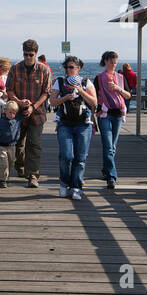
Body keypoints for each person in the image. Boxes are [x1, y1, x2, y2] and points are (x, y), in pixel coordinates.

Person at [7, 39, 53, 188]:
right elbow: (9, 90)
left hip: (37, 113)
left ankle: (33, 175)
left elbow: (46, 92)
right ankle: (20, 167)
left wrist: (33, 106)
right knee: (18, 144)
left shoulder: (44, 70)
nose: (27, 57)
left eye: (30, 55)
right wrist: (19, 102)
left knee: (34, 144)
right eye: (25, 54)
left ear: (36, 54)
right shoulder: (15, 69)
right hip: (18, 113)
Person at [49, 56, 97, 199]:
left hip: (83, 124)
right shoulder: (59, 82)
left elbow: (95, 102)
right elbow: (52, 102)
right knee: (66, 155)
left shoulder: (86, 82)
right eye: (67, 67)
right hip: (65, 123)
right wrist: (66, 97)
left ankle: (76, 187)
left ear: (78, 68)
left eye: (72, 67)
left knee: (80, 157)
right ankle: (64, 183)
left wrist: (80, 91)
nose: (69, 70)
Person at [95, 51, 130, 189]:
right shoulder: (99, 78)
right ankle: (111, 176)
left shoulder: (121, 77)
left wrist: (117, 88)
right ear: (105, 62)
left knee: (112, 147)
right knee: (108, 146)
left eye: (115, 62)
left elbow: (128, 95)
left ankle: (106, 169)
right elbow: (94, 95)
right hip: (104, 113)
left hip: (118, 114)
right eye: (110, 62)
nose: (113, 64)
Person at [0, 100, 22, 187]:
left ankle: (6, 175)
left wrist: (27, 106)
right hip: (1, 146)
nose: (12, 114)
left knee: (11, 162)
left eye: (14, 113)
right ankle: (3, 180)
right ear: (5, 111)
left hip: (12, 146)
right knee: (3, 162)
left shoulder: (17, 120)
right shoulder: (1, 121)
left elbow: (25, 113)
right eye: (10, 112)